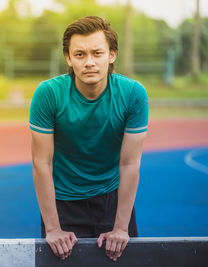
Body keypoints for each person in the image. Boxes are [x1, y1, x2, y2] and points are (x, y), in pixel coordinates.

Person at [29, 16, 148, 262]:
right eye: (80, 54)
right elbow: (42, 163)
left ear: (112, 55)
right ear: (68, 58)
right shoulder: (48, 94)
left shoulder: (133, 94)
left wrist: (121, 228)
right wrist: (53, 229)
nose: (89, 62)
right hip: (63, 203)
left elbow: (129, 164)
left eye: (97, 53)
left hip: (112, 200)